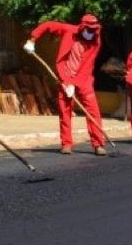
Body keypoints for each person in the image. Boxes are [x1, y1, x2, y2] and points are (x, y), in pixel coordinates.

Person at [24, 14, 107, 156]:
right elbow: (48, 25)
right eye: (89, 30)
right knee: (65, 111)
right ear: (82, 27)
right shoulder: (69, 31)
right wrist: (32, 40)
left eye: (94, 30)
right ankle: (66, 144)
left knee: (93, 111)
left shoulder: (95, 42)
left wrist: (74, 84)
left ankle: (98, 144)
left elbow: (87, 66)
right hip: (65, 77)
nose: (91, 33)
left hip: (84, 79)